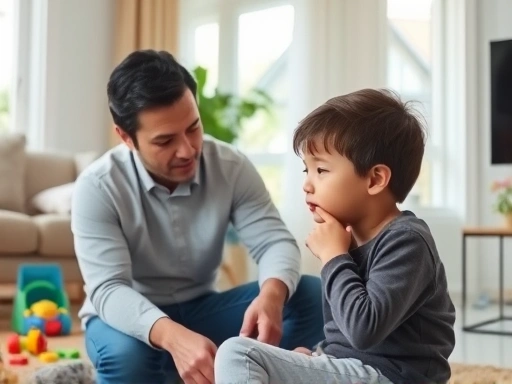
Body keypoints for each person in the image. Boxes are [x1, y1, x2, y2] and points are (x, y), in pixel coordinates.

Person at [71, 49, 324, 384]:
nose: (188, 150)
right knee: (127, 358)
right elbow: (109, 289)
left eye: (193, 128)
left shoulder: (231, 166)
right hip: (128, 319)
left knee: (310, 296)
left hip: (204, 309)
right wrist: (174, 338)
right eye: (165, 140)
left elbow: (274, 240)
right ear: (126, 137)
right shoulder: (97, 187)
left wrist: (272, 295)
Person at [214, 89, 456, 384]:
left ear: (376, 179)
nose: (307, 184)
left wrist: (333, 256)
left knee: (239, 355)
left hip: (393, 377)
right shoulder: (350, 239)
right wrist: (317, 357)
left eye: (321, 170)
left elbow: (363, 330)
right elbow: (343, 338)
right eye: (307, 170)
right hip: (358, 370)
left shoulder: (407, 241)